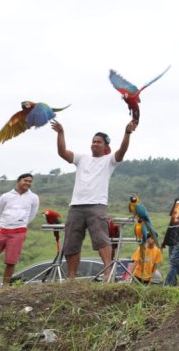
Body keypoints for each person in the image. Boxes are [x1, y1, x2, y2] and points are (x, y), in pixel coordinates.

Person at [53, 116, 137, 280]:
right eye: (93, 141)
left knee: (101, 240)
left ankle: (107, 273)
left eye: (98, 142)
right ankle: (71, 278)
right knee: (71, 243)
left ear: (106, 147)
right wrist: (61, 132)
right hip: (76, 206)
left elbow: (122, 151)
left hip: (97, 206)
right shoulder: (82, 158)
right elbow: (62, 152)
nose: (94, 144)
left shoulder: (109, 161)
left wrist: (127, 133)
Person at [0, 173, 39, 288]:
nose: (28, 183)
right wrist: (5, 223)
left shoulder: (33, 198)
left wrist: (20, 223)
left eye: (30, 181)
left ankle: (5, 287)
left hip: (19, 232)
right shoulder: (6, 196)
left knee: (11, 261)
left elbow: (32, 214)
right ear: (18, 181)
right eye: (26, 180)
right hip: (1, 230)